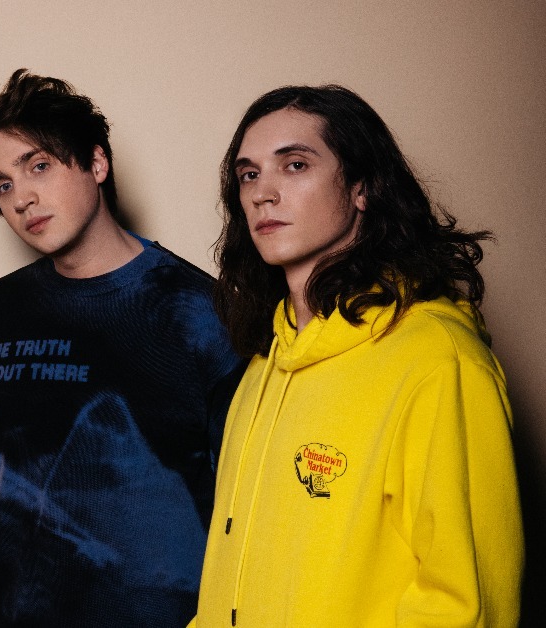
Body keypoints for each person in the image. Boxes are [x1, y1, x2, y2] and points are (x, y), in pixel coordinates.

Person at [192, 85, 523, 626]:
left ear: (362, 187)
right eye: (248, 174)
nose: (262, 194)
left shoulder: (437, 359)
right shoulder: (264, 361)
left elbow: (467, 603)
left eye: (295, 165)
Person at [0, 69, 245, 626]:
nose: (23, 198)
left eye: (39, 166)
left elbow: (245, 497)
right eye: (3, 185)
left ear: (96, 162)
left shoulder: (201, 312)